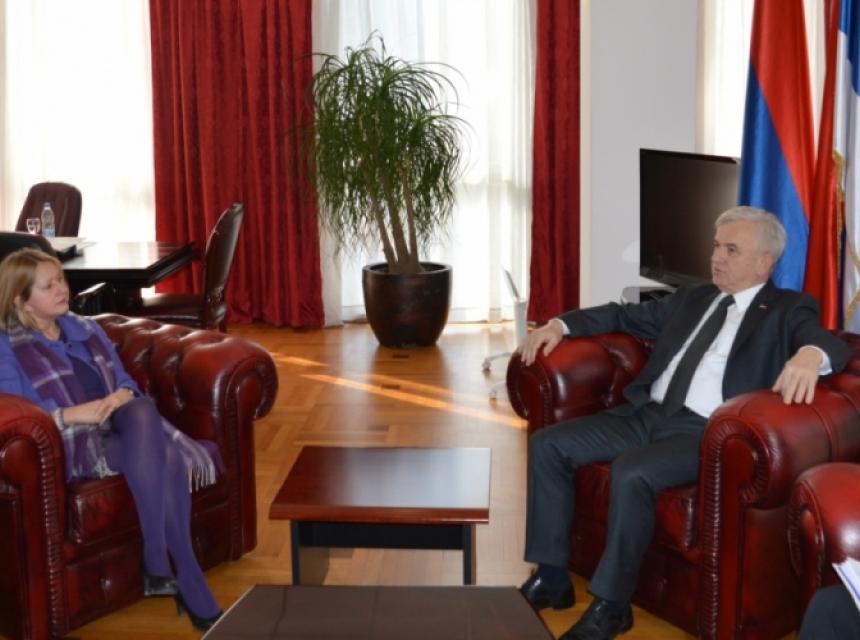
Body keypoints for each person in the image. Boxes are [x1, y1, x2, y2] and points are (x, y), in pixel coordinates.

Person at [516, 206, 851, 640]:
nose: (716, 257)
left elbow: (827, 343)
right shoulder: (694, 297)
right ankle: (552, 577)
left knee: (632, 472)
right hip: (646, 414)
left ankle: (612, 606)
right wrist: (559, 325)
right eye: (716, 246)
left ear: (764, 262)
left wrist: (810, 355)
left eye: (731, 250)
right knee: (548, 444)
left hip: (703, 433)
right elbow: (622, 315)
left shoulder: (787, 309)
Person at [0, 248, 223, 632]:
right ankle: (179, 573)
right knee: (168, 454)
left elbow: (124, 381)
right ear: (21, 300)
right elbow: (16, 414)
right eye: (48, 286)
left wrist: (120, 395)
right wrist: (76, 414)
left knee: (141, 408)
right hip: (69, 439)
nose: (62, 289)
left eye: (61, 279)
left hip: (122, 425)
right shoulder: (8, 347)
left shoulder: (85, 329)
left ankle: (158, 562)